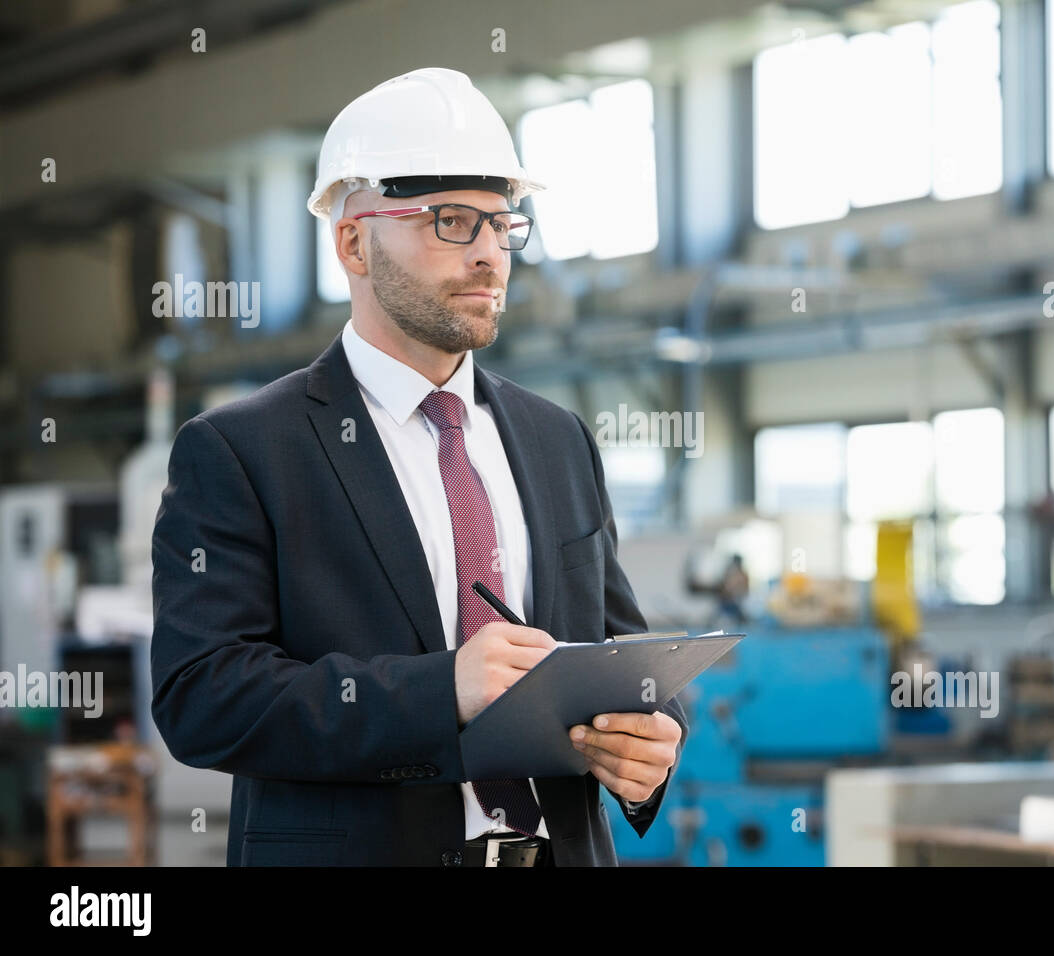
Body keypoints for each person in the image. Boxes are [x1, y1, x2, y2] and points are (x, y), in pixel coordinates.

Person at [150, 68, 687, 867]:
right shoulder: (244, 451)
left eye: (503, 226)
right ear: (353, 240)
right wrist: (441, 693)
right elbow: (203, 696)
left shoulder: (556, 438)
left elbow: (614, 647)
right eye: (450, 222)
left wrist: (649, 737)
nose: (489, 257)